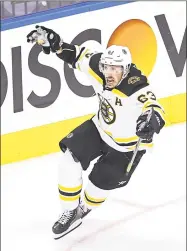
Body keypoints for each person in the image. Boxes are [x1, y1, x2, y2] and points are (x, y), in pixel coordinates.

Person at [27, 26, 166, 240]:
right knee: (68, 161)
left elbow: (155, 109)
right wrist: (55, 44)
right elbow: (77, 55)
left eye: (116, 69)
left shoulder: (136, 87)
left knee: (95, 191)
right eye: (107, 67)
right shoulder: (98, 67)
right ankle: (70, 211)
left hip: (125, 148)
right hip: (99, 129)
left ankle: (84, 207)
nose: (109, 73)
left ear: (126, 69)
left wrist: (150, 122)